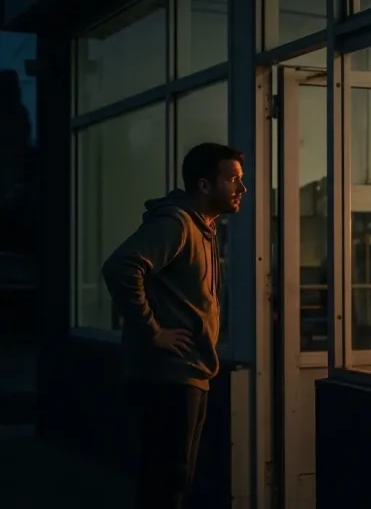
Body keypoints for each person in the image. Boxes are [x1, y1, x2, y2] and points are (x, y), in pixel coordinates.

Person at [102, 142, 246, 509]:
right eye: (232, 179)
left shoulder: (205, 229)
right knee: (166, 482)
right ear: (204, 185)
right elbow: (121, 267)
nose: (241, 189)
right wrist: (154, 331)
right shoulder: (177, 224)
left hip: (190, 373)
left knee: (174, 479)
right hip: (168, 376)